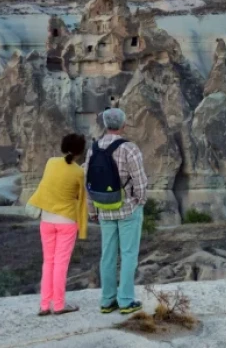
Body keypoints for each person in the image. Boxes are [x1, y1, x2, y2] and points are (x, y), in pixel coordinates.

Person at [85, 107, 148, 315]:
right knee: (129, 254)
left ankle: (107, 300)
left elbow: (88, 182)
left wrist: (92, 210)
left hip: (104, 208)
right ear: (123, 125)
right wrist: (141, 200)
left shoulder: (93, 149)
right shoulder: (129, 148)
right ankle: (126, 301)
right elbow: (140, 180)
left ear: (105, 125)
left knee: (108, 255)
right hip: (128, 208)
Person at [27, 133, 88, 316]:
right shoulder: (78, 172)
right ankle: (59, 304)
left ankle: (45, 305)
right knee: (61, 264)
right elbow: (81, 199)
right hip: (67, 221)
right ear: (80, 152)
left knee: (48, 262)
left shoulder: (51, 163)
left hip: (47, 219)